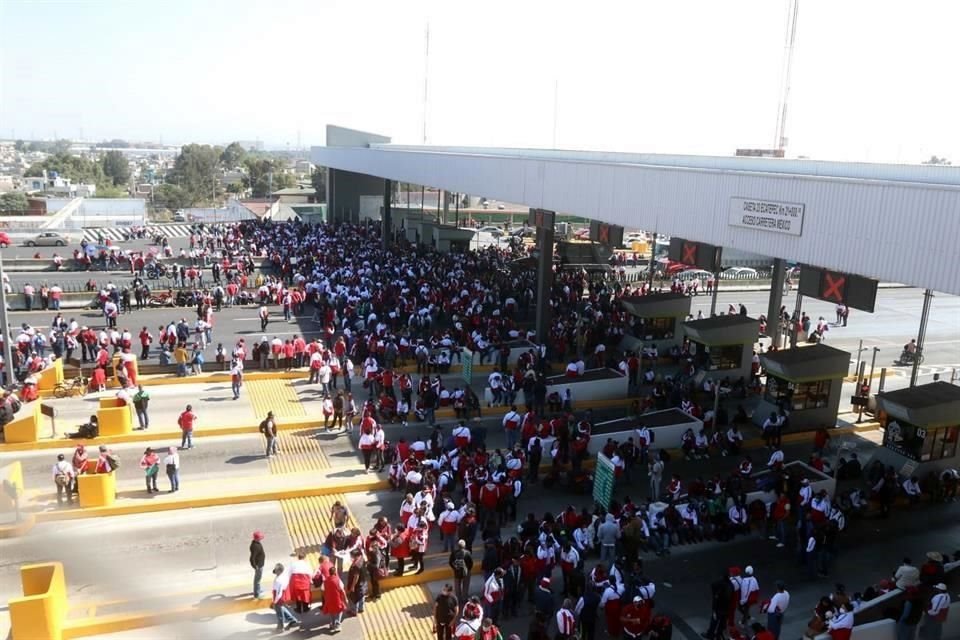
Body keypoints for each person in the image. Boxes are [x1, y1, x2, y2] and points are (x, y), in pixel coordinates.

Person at [271, 563, 299, 631]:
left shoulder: (279, 580)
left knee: (279, 613)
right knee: (282, 608)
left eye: (276, 570)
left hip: (278, 598)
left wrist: (275, 601)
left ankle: (280, 627)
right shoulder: (282, 576)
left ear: (279, 571)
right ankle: (292, 620)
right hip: (280, 597)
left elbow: (279, 592)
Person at [320, 565, 348, 631]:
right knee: (340, 610)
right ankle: (337, 624)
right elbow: (342, 590)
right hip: (337, 598)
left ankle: (332, 623)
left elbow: (322, 590)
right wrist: (346, 598)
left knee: (331, 611)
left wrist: (325, 598)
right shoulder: (338, 580)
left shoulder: (325, 581)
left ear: (329, 573)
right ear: (335, 572)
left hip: (329, 599)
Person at [450, 539, 473, 605]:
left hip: (457, 572)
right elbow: (471, 563)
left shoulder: (454, 553)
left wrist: (455, 568)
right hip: (466, 572)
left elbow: (450, 562)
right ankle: (464, 598)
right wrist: (468, 570)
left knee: (457, 585)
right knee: (465, 585)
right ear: (464, 546)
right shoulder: (468, 553)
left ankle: (458, 598)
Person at [346, 548, 368, 615]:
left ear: (356, 556)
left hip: (357, 585)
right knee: (361, 596)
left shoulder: (356, 565)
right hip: (363, 582)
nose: (351, 557)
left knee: (353, 598)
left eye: (352, 556)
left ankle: (353, 611)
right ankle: (361, 608)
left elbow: (356, 577)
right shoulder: (362, 559)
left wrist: (352, 586)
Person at [249, 531, 266, 599]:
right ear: (256, 538)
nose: (261, 539)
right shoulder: (255, 546)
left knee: (258, 579)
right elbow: (252, 558)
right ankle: (257, 594)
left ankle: (258, 590)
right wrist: (255, 566)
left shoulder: (256, 543)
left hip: (260, 564)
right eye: (260, 538)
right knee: (257, 580)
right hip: (258, 566)